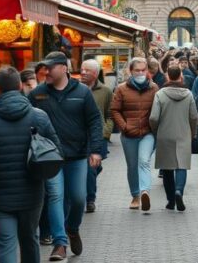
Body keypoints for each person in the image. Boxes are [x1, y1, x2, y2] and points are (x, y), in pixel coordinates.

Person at [0, 67, 60, 263]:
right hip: (32, 193)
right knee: (30, 239)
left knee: (6, 244)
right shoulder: (39, 117)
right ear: (20, 86)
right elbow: (57, 152)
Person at [27, 52, 103, 261]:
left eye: (50, 68)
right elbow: (26, 118)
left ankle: (72, 228)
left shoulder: (82, 92)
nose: (46, 72)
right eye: (44, 68)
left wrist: (96, 150)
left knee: (78, 199)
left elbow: (95, 121)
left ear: (64, 68)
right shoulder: (38, 94)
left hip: (77, 155)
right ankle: (60, 243)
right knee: (55, 196)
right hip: (49, 158)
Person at [111, 57, 159, 211]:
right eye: (137, 70)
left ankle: (145, 191)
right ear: (130, 71)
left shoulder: (154, 88)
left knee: (144, 161)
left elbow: (158, 110)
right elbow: (114, 110)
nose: (140, 73)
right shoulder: (121, 89)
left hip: (147, 133)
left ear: (147, 71)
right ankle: (135, 196)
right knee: (132, 166)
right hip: (128, 134)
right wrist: (124, 127)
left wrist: (154, 127)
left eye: (143, 70)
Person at [150, 65, 198, 211]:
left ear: (167, 76)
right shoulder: (188, 94)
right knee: (181, 166)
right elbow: (194, 117)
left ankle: (170, 200)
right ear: (181, 76)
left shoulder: (160, 94)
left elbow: (153, 117)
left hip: (165, 135)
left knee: (167, 169)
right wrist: (193, 133)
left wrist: (156, 131)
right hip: (183, 134)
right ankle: (179, 191)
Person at [80, 59, 112, 214]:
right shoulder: (76, 89)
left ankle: (88, 193)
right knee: (90, 169)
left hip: (98, 136)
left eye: (87, 70)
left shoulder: (105, 91)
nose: (83, 72)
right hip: (80, 136)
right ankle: (90, 199)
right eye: (82, 69)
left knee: (94, 168)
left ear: (95, 73)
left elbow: (110, 114)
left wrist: (106, 132)